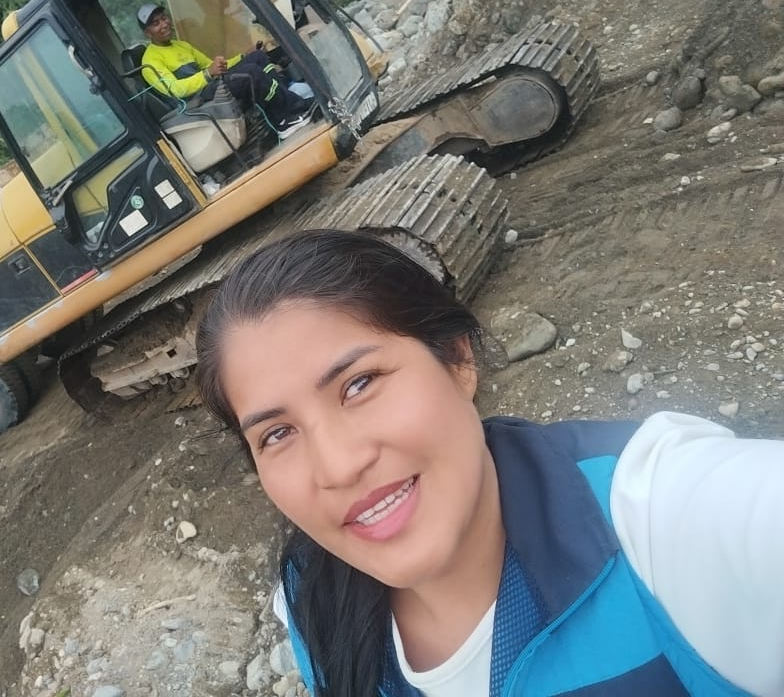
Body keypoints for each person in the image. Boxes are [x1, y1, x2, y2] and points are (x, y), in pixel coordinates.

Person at [194, 228, 784, 697]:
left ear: (458, 360)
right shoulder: (310, 601)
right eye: (277, 434)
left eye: (360, 384)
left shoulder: (656, 518)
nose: (338, 467)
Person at [135, 2, 315, 139]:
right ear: (147, 33)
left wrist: (243, 56)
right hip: (198, 100)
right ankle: (283, 121)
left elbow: (212, 65)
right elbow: (176, 90)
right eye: (156, 23)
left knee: (258, 58)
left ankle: (292, 104)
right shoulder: (150, 61)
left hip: (210, 85)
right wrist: (208, 74)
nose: (164, 24)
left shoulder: (180, 45)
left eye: (164, 18)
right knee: (250, 73)